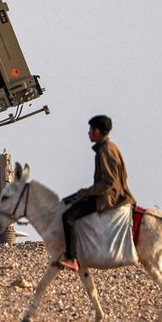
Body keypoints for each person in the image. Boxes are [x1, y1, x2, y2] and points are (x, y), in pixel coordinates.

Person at [56, 115, 136, 272]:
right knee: (67, 201)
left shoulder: (105, 150)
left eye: (90, 130)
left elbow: (108, 181)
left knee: (68, 216)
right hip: (112, 193)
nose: (88, 133)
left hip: (108, 198)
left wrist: (89, 192)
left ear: (97, 131)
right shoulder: (111, 147)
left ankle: (72, 258)